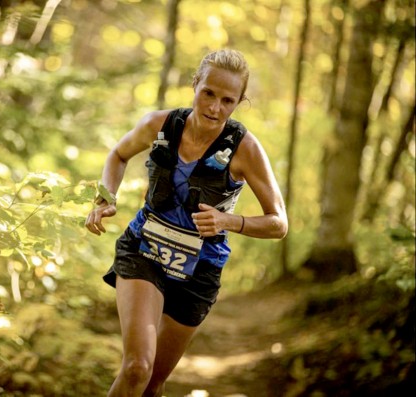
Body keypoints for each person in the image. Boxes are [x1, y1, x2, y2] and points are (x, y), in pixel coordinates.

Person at [85, 48, 288, 397]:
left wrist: (229, 220)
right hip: (144, 250)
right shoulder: (160, 125)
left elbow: (278, 222)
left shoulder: (244, 149)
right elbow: (118, 155)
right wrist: (106, 198)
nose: (215, 107)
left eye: (228, 100)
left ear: (239, 103)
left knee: (153, 385)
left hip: (200, 270)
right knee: (137, 368)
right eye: (208, 93)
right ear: (195, 84)